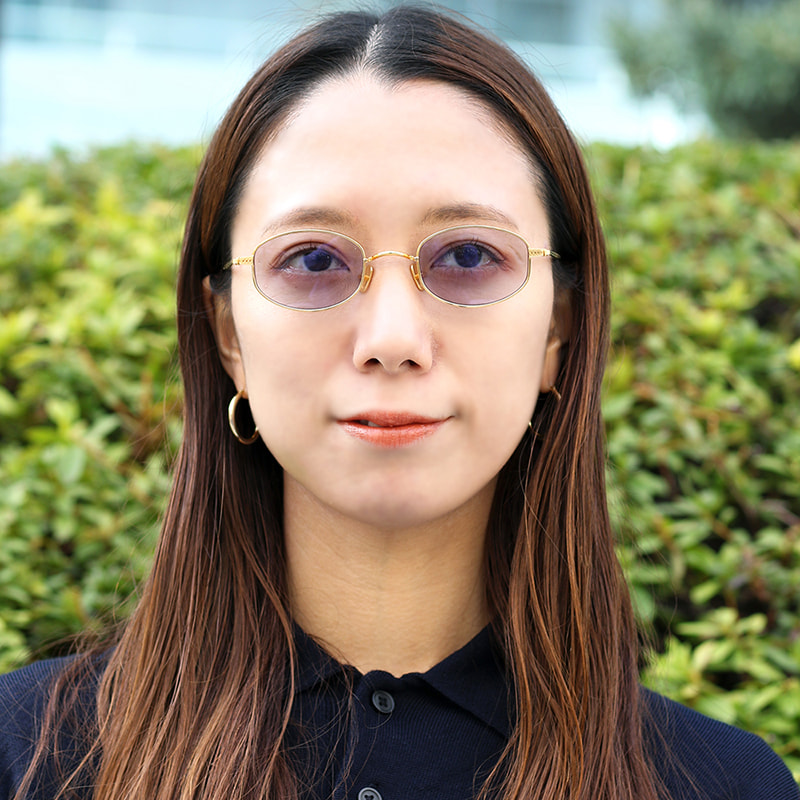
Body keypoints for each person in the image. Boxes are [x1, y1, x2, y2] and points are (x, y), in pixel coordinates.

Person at [1, 6, 797, 800]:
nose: (392, 339)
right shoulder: (23, 755)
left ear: (557, 329)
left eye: (468, 256)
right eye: (314, 260)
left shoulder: (726, 787)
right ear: (229, 334)